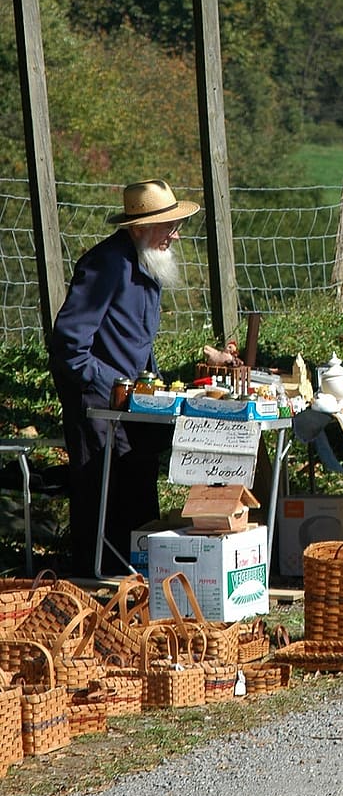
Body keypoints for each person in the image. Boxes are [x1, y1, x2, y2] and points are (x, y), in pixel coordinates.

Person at [49, 178, 200, 576]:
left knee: (138, 487)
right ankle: (93, 581)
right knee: (102, 495)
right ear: (138, 227)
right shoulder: (107, 264)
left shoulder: (147, 258)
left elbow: (135, 339)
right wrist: (111, 387)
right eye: (166, 224)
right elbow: (68, 345)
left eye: (175, 223)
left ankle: (137, 579)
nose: (174, 233)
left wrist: (155, 385)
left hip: (130, 404)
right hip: (97, 406)